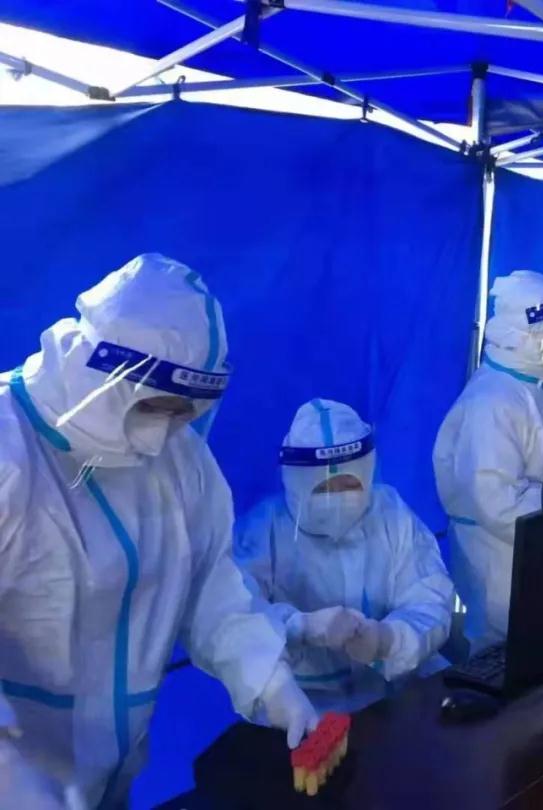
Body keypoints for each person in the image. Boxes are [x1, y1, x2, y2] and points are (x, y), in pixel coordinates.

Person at [0, 255, 317, 808]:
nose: (157, 438)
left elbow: (213, 590)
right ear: (99, 373)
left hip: (111, 780)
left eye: (181, 414)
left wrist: (270, 679)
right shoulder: (10, 452)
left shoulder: (179, 461)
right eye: (150, 408)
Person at [433, 271, 543, 649]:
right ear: (527, 335)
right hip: (503, 565)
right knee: (507, 658)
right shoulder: (491, 402)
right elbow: (497, 502)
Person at [236, 399, 454, 712]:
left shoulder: (391, 515)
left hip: (398, 692)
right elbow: (237, 617)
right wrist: (300, 627)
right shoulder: (262, 532)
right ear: (296, 483)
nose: (338, 497)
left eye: (349, 484)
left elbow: (430, 597)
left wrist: (388, 639)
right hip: (304, 705)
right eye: (323, 488)